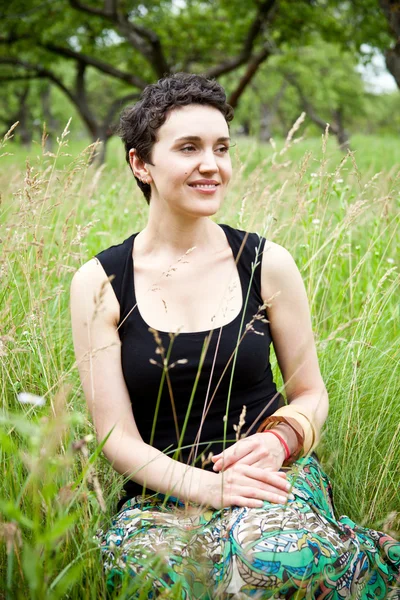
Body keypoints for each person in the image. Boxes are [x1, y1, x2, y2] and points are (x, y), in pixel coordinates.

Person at [70, 73, 400, 599]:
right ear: (140, 164)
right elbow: (117, 439)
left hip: (271, 477)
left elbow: (310, 393)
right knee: (160, 581)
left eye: (221, 147)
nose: (211, 164)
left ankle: (372, 562)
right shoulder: (100, 282)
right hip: (163, 494)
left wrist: (279, 440)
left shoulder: (266, 263)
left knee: (267, 562)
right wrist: (207, 488)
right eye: (188, 148)